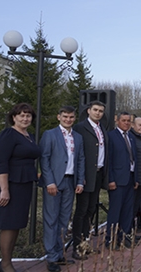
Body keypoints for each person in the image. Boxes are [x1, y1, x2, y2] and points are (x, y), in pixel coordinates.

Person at [0, 103, 41, 272]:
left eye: (28, 116)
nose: (25, 118)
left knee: (17, 223)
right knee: (8, 223)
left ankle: (7, 261)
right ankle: (5, 264)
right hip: (10, 184)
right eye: (21, 115)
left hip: (24, 184)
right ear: (14, 117)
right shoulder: (8, 134)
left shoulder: (29, 136)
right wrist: (4, 189)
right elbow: (1, 163)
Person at [40, 106, 85, 271]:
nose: (68, 119)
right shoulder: (50, 135)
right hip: (54, 183)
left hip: (70, 182)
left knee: (64, 219)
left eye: (71, 117)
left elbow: (80, 159)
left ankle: (60, 254)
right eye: (65, 116)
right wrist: (49, 182)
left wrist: (80, 181)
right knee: (51, 219)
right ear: (59, 117)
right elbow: (44, 159)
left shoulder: (78, 137)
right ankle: (51, 257)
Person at [71, 101, 108, 260]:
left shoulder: (101, 129)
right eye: (95, 110)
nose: (98, 113)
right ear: (88, 111)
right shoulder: (80, 128)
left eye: (101, 111)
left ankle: (86, 242)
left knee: (91, 209)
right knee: (82, 210)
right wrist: (81, 176)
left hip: (98, 174)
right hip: (85, 175)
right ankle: (77, 246)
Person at [106, 112, 138, 249]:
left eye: (128, 121)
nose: (126, 123)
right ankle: (111, 239)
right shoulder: (111, 136)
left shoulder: (131, 137)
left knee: (127, 211)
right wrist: (110, 179)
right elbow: (109, 160)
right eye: (123, 120)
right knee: (115, 211)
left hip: (130, 179)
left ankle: (124, 237)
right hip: (117, 181)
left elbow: (134, 158)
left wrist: (135, 177)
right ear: (117, 121)